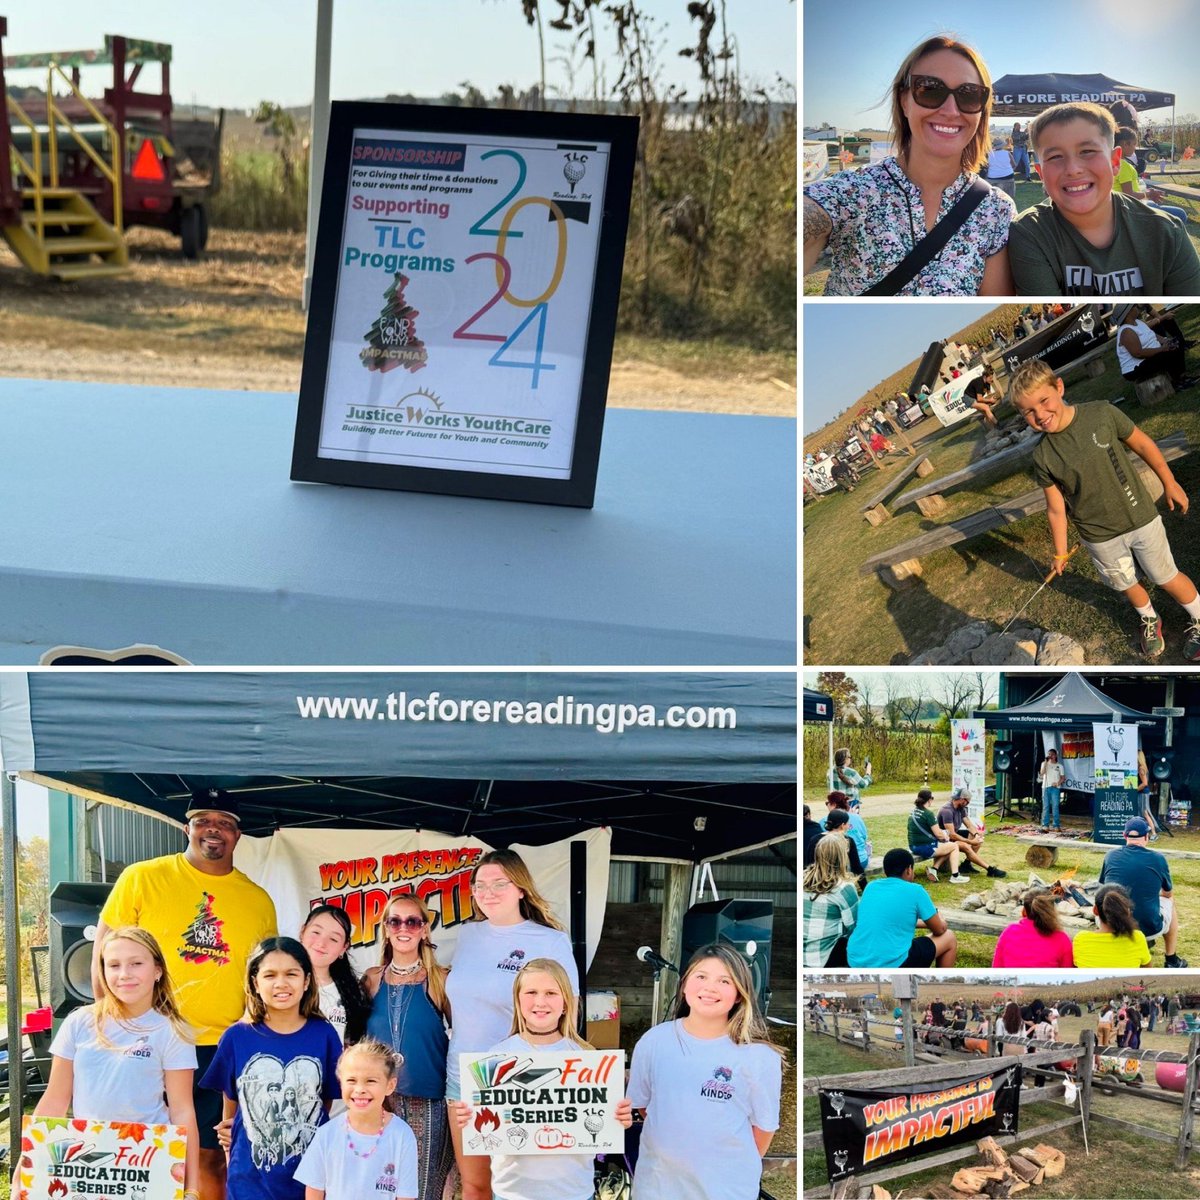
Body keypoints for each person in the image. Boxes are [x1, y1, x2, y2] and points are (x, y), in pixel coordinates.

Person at [94, 791, 277, 1200]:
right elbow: (105, 951)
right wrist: (112, 1024)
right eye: (203, 820)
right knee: (140, 1147)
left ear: (238, 835)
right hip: (146, 1038)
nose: (214, 828)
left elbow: (263, 977)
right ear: (186, 828)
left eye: (225, 822)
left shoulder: (258, 899)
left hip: (219, 1047)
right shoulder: (142, 877)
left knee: (211, 1155)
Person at [1009, 358, 1200, 661]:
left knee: (1164, 576)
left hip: (1140, 519)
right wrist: (1059, 551)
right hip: (1099, 537)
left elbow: (1143, 445)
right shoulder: (1043, 456)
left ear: (1058, 387)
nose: (1040, 414)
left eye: (1044, 401)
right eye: (1028, 412)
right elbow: (1056, 509)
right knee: (1127, 582)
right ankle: (1150, 619)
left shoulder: (1102, 413)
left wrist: (1170, 481)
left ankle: (1198, 616)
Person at [803, 36, 1015, 295]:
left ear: (982, 110)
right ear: (904, 101)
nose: (950, 110)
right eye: (930, 89)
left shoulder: (996, 210)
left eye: (969, 95)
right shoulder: (851, 192)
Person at [28, 927, 200, 1200]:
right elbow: (54, 1101)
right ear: (103, 972)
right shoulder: (79, 1022)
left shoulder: (172, 1031)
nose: (124, 974)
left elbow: (182, 1111)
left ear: (157, 970)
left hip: (149, 1160)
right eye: (114, 965)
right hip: (86, 1163)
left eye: (136, 963)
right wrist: (25, 1171)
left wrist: (191, 1187)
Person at [446, 849, 579, 1200]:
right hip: (465, 1078)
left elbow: (568, 1009)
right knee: (475, 1185)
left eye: (499, 884)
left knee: (518, 1189)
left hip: (525, 1082)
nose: (488, 892)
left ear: (520, 888)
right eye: (480, 885)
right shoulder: (467, 935)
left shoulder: (549, 940)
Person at [452, 959, 633, 1200]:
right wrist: (469, 1115)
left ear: (566, 1002)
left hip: (574, 1193)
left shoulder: (587, 1058)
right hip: (512, 1193)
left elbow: (601, 1124)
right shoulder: (495, 1059)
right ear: (517, 1001)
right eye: (531, 992)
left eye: (550, 993)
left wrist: (618, 1117)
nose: (540, 1001)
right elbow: (486, 1124)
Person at [627, 944, 784, 1200]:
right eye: (701, 976)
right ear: (685, 985)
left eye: (724, 980)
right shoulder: (654, 1041)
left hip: (725, 1190)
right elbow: (647, 1108)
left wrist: (722, 1166)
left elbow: (763, 1130)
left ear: (738, 994)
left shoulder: (760, 1056)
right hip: (658, 1187)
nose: (710, 987)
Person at [1008, 102, 1200, 295]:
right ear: (1041, 173)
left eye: (1087, 151)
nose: (1073, 169)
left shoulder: (1166, 232)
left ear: (1115, 161)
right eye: (1055, 156)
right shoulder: (1029, 234)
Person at [202, 937, 343, 1199]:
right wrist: (230, 1136)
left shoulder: (324, 1034)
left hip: (310, 1174)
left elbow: (323, 1101)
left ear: (307, 981)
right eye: (270, 975)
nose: (281, 983)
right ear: (255, 983)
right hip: (250, 1177)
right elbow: (231, 1098)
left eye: (291, 973)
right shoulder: (236, 1037)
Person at [361, 892, 453, 1200]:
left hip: (427, 1098)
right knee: (378, 1183)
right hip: (377, 1101)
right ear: (385, 928)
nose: (404, 928)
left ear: (425, 929)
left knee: (423, 1188)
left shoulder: (440, 980)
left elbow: (466, 1035)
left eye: (413, 921)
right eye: (395, 921)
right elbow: (354, 1037)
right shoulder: (372, 980)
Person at [294, 1038, 418, 1200]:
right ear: (341, 1084)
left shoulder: (402, 1135)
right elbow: (314, 1192)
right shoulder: (326, 1135)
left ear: (390, 1085)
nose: (360, 1089)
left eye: (371, 1081)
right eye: (351, 1080)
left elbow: (406, 1195)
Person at [1099, 817, 1188, 967]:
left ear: (1124, 836)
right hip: (1148, 928)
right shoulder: (1158, 859)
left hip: (1110, 924)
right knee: (1170, 903)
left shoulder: (1110, 856)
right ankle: (1171, 959)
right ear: (1146, 837)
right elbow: (1168, 894)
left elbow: (1103, 890)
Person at [846, 848, 958, 968]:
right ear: (909, 870)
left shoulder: (871, 887)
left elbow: (890, 919)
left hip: (855, 959)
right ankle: (940, 983)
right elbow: (939, 930)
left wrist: (925, 923)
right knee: (949, 937)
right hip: (892, 964)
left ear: (885, 870)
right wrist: (940, 919)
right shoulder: (916, 890)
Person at [299, 904, 371, 1058]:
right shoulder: (282, 984)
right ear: (302, 931)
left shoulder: (353, 994)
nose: (322, 943)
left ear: (344, 948)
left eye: (333, 939)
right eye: (316, 932)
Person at [803, 834, 860, 967]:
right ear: (842, 857)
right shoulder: (843, 888)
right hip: (823, 957)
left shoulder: (802, 879)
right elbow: (854, 926)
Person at [1113, 127, 1189, 225]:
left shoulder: (1113, 163)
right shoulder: (1124, 166)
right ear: (1125, 144)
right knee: (1181, 214)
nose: (1135, 147)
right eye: (1134, 144)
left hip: (1129, 208)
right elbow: (1128, 196)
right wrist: (1148, 195)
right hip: (1132, 211)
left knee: (1154, 204)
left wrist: (1146, 193)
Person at [1116, 302, 1196, 394]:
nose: (1137, 306)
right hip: (1135, 368)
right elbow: (1138, 353)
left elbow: (1152, 335)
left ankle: (1182, 377)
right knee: (1166, 355)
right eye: (1134, 306)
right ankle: (1177, 383)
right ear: (1128, 313)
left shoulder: (1137, 322)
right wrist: (1161, 349)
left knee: (1176, 344)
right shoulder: (1126, 331)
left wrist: (1166, 341)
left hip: (1146, 358)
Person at [1072, 883, 1153, 968]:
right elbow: (1148, 970)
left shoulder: (1081, 939)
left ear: (1095, 910)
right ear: (1127, 912)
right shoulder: (1137, 938)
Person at [991, 889, 1075, 968]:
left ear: (1023, 911)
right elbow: (1067, 976)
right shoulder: (1062, 939)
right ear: (1052, 911)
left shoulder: (1009, 932)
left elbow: (997, 967)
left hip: (1013, 982)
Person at [937, 787, 1007, 877]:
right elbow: (952, 835)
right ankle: (990, 869)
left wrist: (976, 835)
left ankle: (966, 864)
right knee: (966, 846)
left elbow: (969, 825)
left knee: (977, 838)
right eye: (968, 802)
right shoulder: (947, 810)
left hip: (952, 835)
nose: (968, 804)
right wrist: (970, 842)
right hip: (944, 839)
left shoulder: (961, 808)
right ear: (962, 799)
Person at [907, 789, 966, 884]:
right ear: (929, 800)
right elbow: (938, 834)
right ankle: (955, 876)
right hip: (925, 847)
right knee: (954, 846)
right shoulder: (928, 814)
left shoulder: (913, 812)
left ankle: (934, 869)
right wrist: (945, 837)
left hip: (913, 846)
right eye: (932, 798)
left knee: (948, 846)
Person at [826, 791, 872, 867]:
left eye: (827, 803)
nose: (827, 805)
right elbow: (864, 837)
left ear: (833, 805)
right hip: (861, 859)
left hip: (839, 863)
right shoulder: (857, 817)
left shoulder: (825, 821)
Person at [824, 809, 866, 878]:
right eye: (848, 823)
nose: (848, 826)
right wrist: (865, 887)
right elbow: (856, 867)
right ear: (842, 825)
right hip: (839, 878)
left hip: (820, 878)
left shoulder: (816, 839)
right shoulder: (847, 840)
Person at [1038, 748, 1066, 833]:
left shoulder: (1060, 766)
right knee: (1046, 806)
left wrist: (1057, 783)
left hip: (1055, 788)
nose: (1050, 756)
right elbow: (1042, 773)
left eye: (1051, 754)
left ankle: (1056, 825)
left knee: (1055, 806)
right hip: (1045, 787)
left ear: (1055, 755)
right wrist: (1046, 762)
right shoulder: (1044, 763)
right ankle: (1045, 825)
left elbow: (1063, 778)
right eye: (1049, 754)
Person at [1137, 748, 1161, 841]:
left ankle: (1154, 833)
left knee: (1145, 813)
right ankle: (1148, 832)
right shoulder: (1143, 767)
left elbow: (1145, 783)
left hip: (1142, 793)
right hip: (1143, 793)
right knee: (1144, 813)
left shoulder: (1141, 769)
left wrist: (1135, 790)